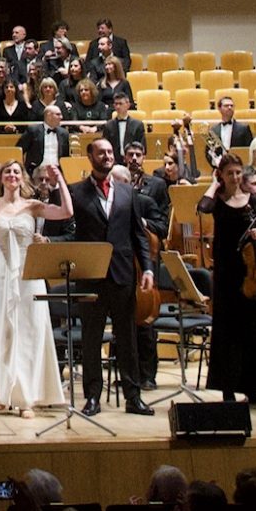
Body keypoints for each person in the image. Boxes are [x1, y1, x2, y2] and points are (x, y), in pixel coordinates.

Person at [0, 162, 70, 414]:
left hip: (28, 272)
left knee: (29, 331)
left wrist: (60, 181)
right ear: (1, 178)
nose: (12, 175)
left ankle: (26, 397)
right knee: (2, 331)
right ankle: (3, 392)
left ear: (22, 179)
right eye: (7, 172)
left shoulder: (32, 206)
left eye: (16, 172)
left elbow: (66, 211)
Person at [68, 139, 155, 417]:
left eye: (109, 152)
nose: (106, 156)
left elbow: (138, 235)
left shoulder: (128, 192)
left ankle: (133, 396)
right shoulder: (76, 193)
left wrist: (148, 269)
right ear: (90, 156)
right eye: (100, 152)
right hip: (90, 275)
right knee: (91, 339)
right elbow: (70, 233)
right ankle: (92, 396)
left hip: (122, 275)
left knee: (127, 337)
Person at [198, 152, 256, 403]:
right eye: (229, 173)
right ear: (222, 175)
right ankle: (227, 387)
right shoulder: (217, 200)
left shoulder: (252, 200)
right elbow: (202, 207)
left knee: (252, 330)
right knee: (226, 331)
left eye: (238, 173)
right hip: (226, 274)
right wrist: (214, 184)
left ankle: (252, 388)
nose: (235, 177)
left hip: (250, 272)